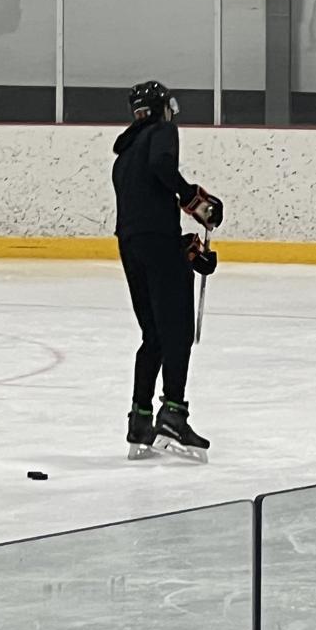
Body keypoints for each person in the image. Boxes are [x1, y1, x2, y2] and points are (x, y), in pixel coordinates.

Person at [112, 81, 223, 460]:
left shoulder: (123, 155)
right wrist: (192, 197)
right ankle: (173, 414)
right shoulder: (163, 131)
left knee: (153, 335)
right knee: (177, 333)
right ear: (162, 109)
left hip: (131, 246)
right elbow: (162, 166)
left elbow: (143, 221)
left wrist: (186, 251)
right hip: (154, 241)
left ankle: (140, 420)